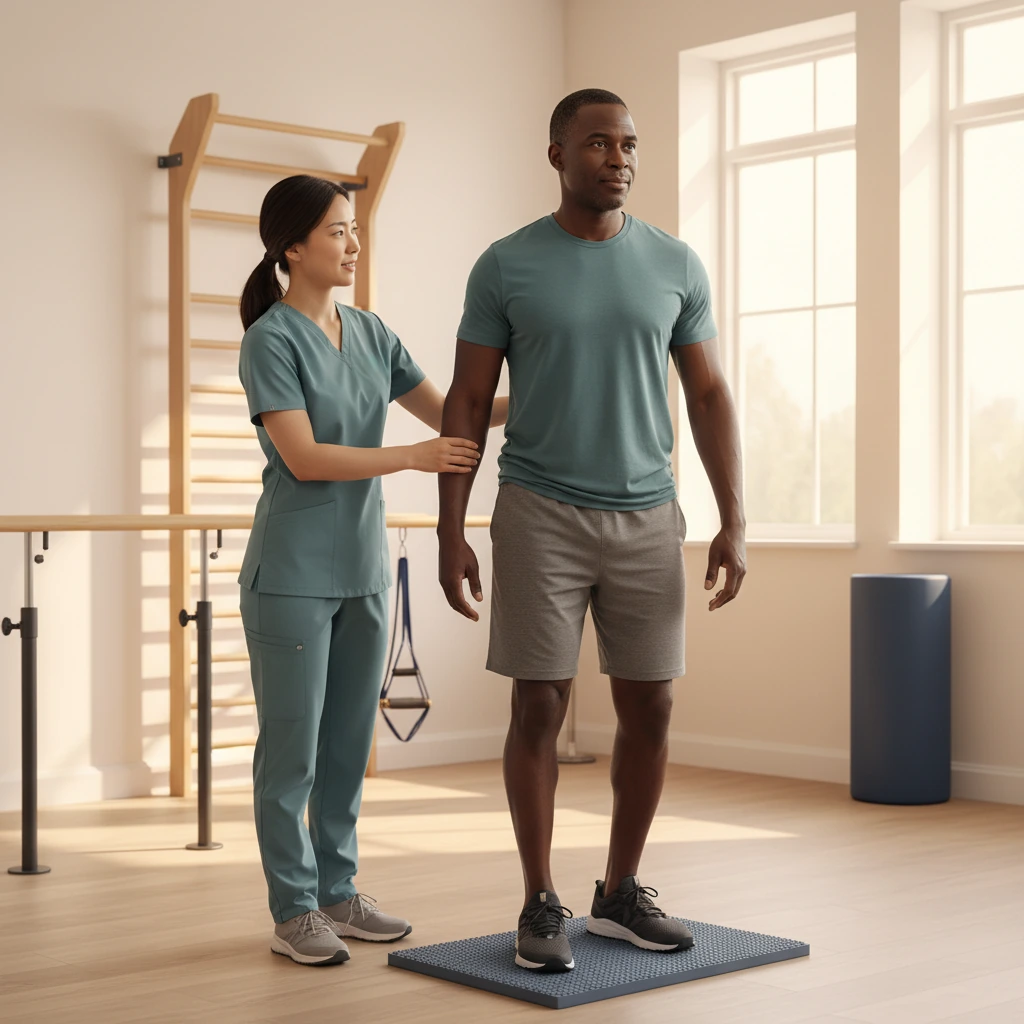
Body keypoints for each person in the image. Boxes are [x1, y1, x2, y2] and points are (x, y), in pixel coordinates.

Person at [437, 90, 747, 972]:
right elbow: (467, 400)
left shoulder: (675, 263)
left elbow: (709, 394)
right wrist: (451, 530)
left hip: (648, 514)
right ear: (557, 155)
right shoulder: (505, 265)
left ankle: (619, 892)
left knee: (652, 705)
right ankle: (540, 899)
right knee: (539, 702)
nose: (619, 159)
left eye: (629, 145)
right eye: (599, 143)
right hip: (539, 510)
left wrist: (733, 519)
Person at [236, 174, 508, 966]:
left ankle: (338, 892)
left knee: (348, 745)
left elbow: (453, 412)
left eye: (354, 229)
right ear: (293, 247)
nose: (353, 244)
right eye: (336, 231)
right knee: (292, 752)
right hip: (291, 575)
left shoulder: (372, 332)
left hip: (363, 572)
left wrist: (537, 394)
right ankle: (294, 911)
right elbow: (303, 455)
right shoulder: (270, 340)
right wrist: (412, 458)